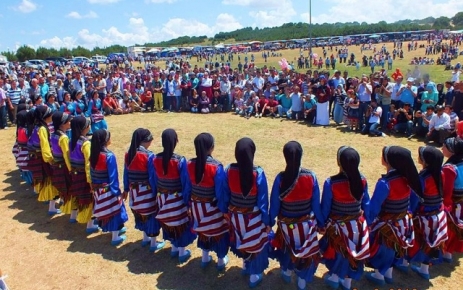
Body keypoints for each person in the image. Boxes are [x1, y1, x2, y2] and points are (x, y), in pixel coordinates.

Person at [269, 141, 322, 290]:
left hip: (286, 226)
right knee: (305, 251)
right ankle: (302, 281)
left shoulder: (280, 179)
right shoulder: (310, 176)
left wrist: (269, 221)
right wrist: (322, 223)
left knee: (286, 249)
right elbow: (316, 206)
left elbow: (274, 206)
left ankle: (286, 272)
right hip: (307, 226)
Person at [366, 146, 422, 286]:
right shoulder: (407, 179)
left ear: (388, 161)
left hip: (387, 224)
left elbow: (374, 207)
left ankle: (380, 274)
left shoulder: (385, 183)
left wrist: (367, 221)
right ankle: (388, 272)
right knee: (394, 248)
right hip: (402, 222)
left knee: (384, 248)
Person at [320, 146, 370, 290]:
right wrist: (369, 221)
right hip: (358, 225)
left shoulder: (332, 183)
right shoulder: (363, 180)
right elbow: (366, 202)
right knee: (353, 252)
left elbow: (326, 207)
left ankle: (335, 277)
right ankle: (347, 282)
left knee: (339, 252)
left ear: (339, 162)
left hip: (338, 227)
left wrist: (322, 224)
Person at [223, 137, 269, 288]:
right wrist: (266, 221)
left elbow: (226, 193)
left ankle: (244, 266)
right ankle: (254, 275)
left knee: (241, 239)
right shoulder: (258, 173)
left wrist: (226, 212)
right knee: (256, 244)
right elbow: (263, 201)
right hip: (253, 218)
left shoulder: (229, 170)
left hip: (235, 216)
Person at [185, 133, 230, 271]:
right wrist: (224, 210)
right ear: (211, 147)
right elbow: (220, 192)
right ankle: (221, 261)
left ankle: (205, 257)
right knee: (219, 232)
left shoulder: (189, 164)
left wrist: (188, 204)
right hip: (213, 207)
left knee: (203, 230)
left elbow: (187, 186)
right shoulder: (216, 167)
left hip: (196, 206)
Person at [152, 129, 196, 263]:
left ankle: (173, 248)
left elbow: (154, 178)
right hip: (177, 198)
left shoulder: (156, 158)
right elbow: (185, 182)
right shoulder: (179, 160)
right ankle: (181, 252)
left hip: (162, 197)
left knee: (169, 221)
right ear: (176, 141)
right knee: (180, 223)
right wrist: (187, 200)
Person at [407, 146, 448, 280]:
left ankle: (403, 261)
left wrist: (410, 213)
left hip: (424, 215)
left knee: (418, 240)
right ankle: (424, 269)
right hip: (438, 213)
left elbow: (415, 198)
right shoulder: (441, 173)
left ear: (425, 161)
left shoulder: (423, 178)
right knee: (432, 242)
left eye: (420, 155)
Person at [123, 128, 165, 251]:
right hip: (147, 192)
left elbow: (126, 174)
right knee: (151, 214)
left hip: (134, 192)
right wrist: (156, 191)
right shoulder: (149, 156)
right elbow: (153, 176)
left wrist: (126, 189)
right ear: (146, 141)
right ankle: (153, 243)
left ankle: (145, 238)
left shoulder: (128, 154)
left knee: (140, 214)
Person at [90, 129, 129, 246]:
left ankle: (113, 231)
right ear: (105, 140)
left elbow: (91, 173)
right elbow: (113, 176)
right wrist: (117, 192)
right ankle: (115, 237)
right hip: (108, 189)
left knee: (106, 210)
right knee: (114, 210)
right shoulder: (109, 156)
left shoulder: (93, 155)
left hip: (97, 189)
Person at [27, 106, 60, 215]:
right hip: (42, 159)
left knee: (45, 181)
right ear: (46, 116)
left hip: (36, 157)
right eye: (50, 114)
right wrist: (50, 159)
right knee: (50, 181)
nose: (52, 116)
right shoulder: (42, 129)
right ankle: (52, 207)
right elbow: (44, 146)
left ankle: (49, 202)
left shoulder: (36, 127)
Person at [68, 117, 99, 232]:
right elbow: (88, 163)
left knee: (76, 194)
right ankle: (90, 224)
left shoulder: (71, 141)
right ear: (85, 127)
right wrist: (90, 180)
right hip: (83, 175)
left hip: (74, 173)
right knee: (88, 199)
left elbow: (67, 156)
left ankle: (73, 216)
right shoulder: (85, 143)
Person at [441, 137, 463, 262]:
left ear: (452, 150)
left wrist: (445, 206)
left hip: (455, 203)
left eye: (444, 146)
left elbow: (447, 191)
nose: (442, 148)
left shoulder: (449, 168)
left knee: (452, 226)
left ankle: (447, 252)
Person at [50, 112, 73, 217]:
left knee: (58, 186)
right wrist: (70, 169)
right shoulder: (63, 137)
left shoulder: (54, 134)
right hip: (63, 166)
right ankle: (70, 210)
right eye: (68, 120)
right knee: (67, 187)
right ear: (62, 123)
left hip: (56, 164)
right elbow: (66, 155)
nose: (70, 122)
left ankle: (52, 207)